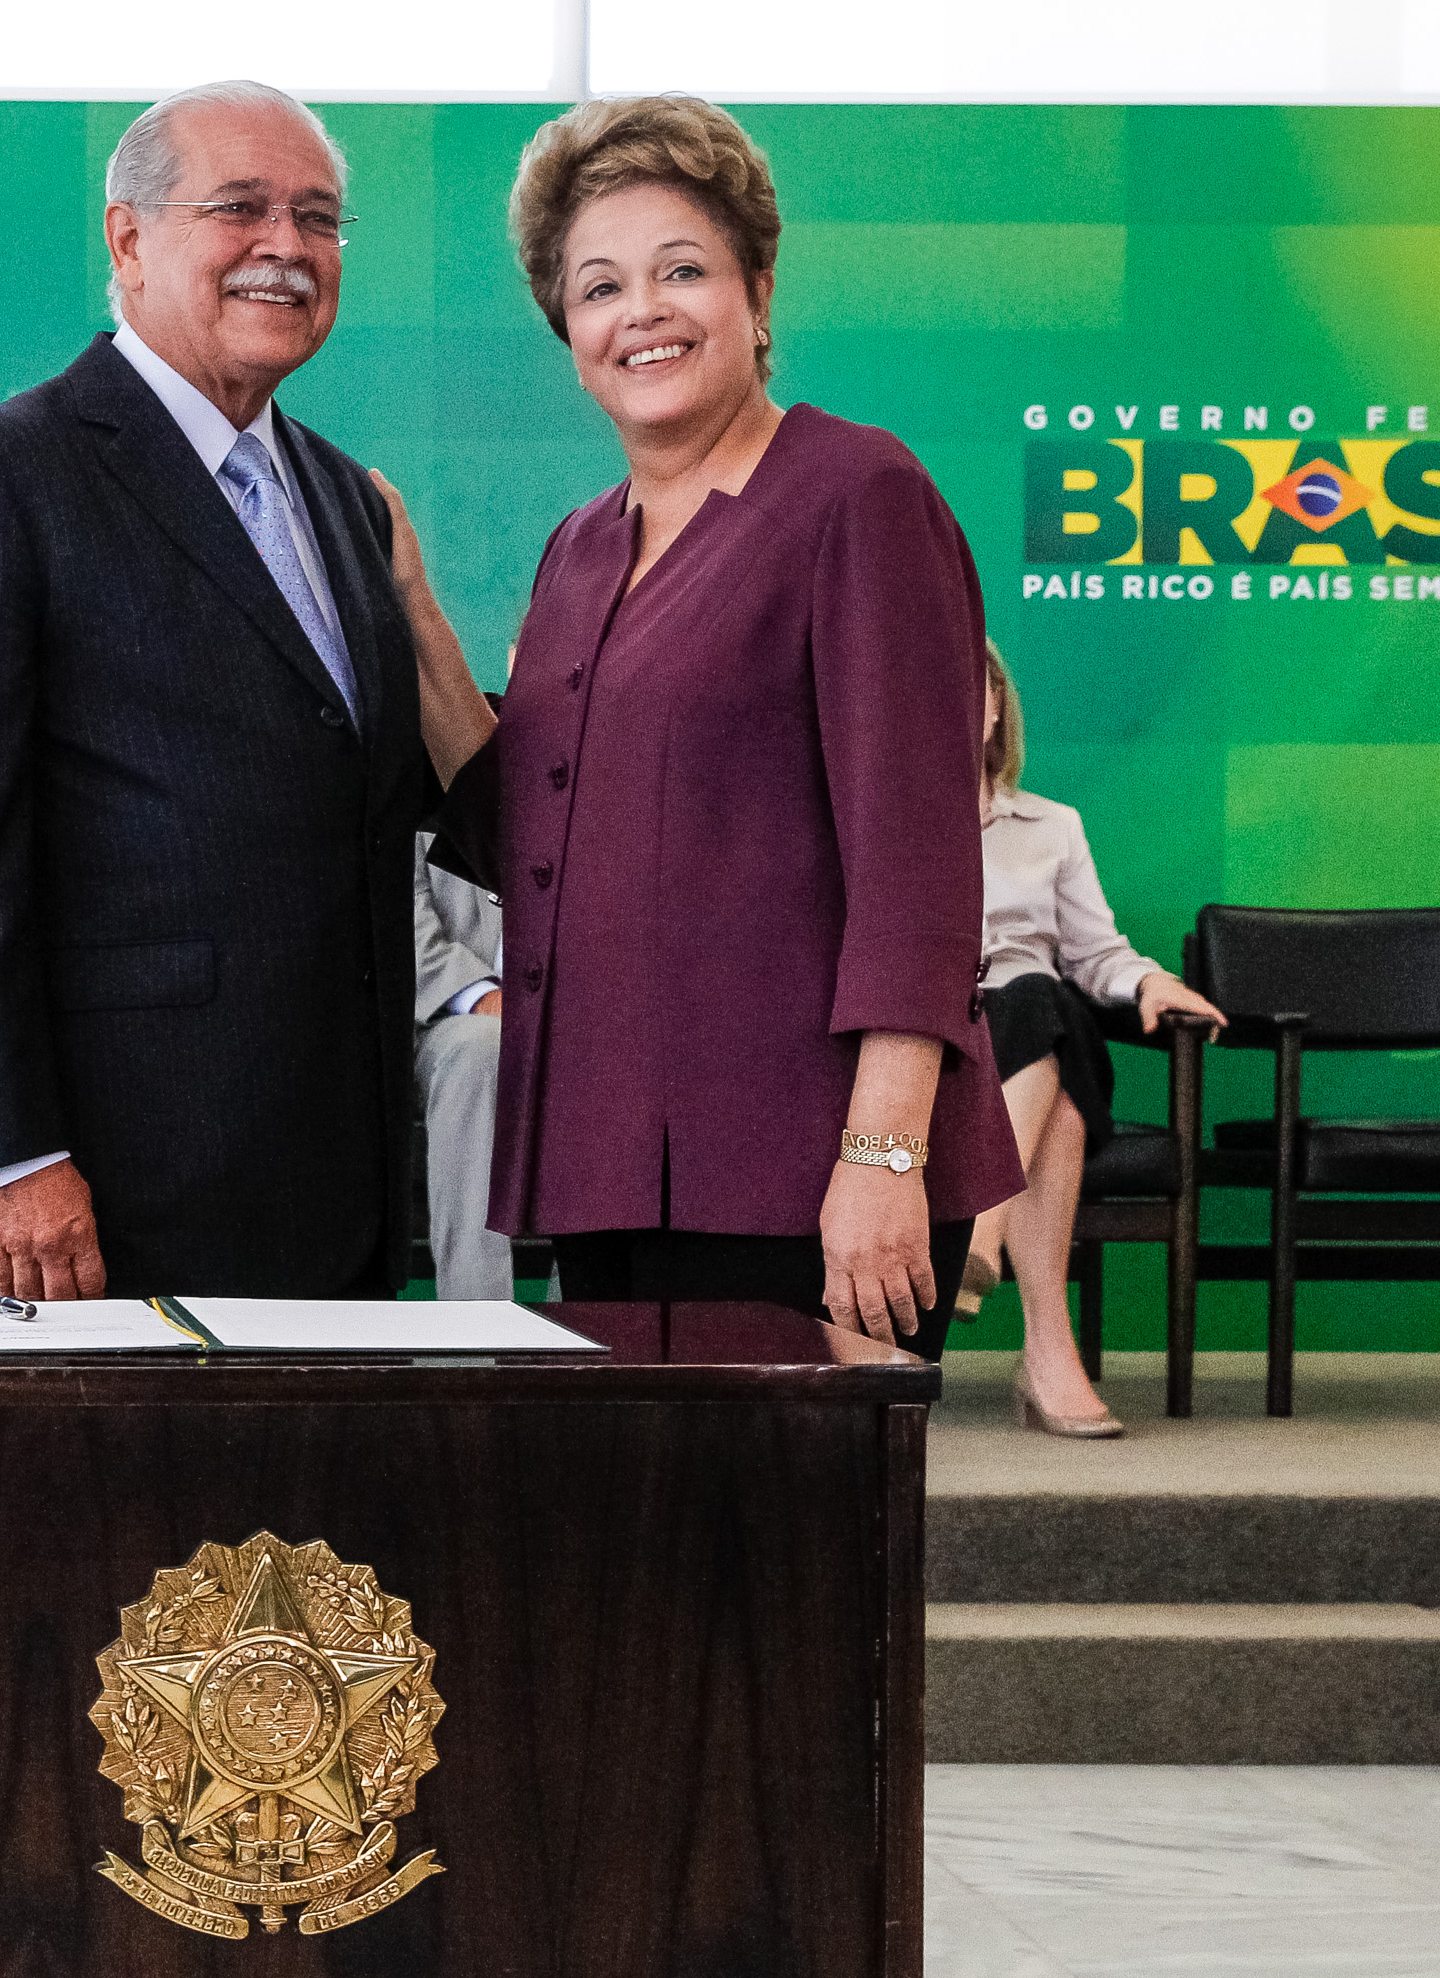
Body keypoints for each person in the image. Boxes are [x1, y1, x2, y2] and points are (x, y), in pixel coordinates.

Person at [0, 79, 493, 1301]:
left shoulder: (347, 502)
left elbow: (373, 811)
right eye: (240, 207)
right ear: (127, 237)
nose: (286, 248)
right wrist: (9, 1158)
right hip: (96, 1204)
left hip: (331, 1195)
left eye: (317, 218)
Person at [407, 94, 1015, 1350]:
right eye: (598, 287)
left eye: (680, 270)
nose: (641, 313)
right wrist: (408, 599)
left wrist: (882, 1159)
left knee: (801, 1545)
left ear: (756, 288)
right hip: (604, 1153)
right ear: (564, 328)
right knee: (643, 1542)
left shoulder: (858, 494)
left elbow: (916, 875)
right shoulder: (578, 549)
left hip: (810, 1166)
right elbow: (521, 832)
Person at [958, 640, 1226, 1434]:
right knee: (1063, 1113)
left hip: (1038, 1023)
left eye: (968, 687)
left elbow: (1097, 953)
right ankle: (1048, 1355)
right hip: (944, 1057)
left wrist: (1149, 983)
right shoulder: (878, 824)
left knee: (1040, 992)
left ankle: (983, 1234)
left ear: (997, 707)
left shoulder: (1052, 827)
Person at [412, 833, 514, 1297]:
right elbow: (396, 914)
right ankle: (481, 1333)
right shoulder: (413, 773)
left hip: (578, 1014)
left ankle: (592, 1327)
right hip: (443, 1013)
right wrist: (484, 997)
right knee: (482, 1049)